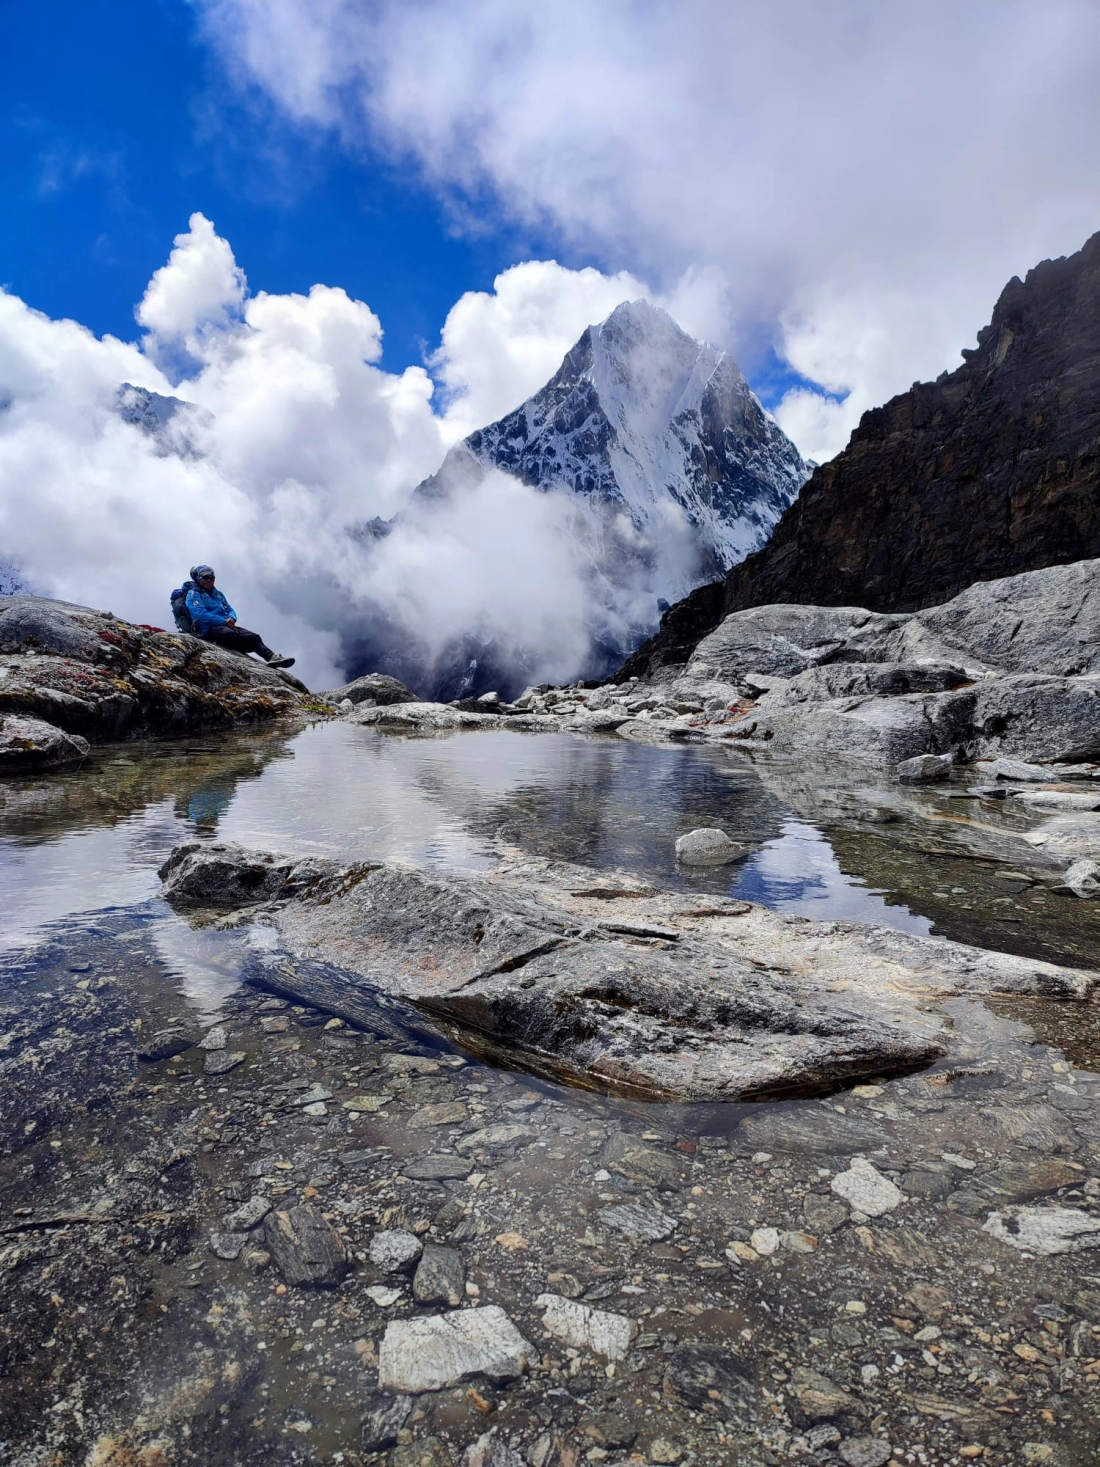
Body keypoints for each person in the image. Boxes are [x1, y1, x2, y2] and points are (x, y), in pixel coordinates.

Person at [183, 566, 295, 668]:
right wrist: (224, 621)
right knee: (230, 634)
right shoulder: (193, 593)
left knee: (254, 637)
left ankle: (272, 658)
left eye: (212, 577)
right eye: (206, 577)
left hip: (225, 626)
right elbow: (199, 613)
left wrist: (232, 618)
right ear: (198, 578)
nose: (209, 580)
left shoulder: (218, 594)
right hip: (207, 629)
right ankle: (240, 647)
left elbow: (229, 609)